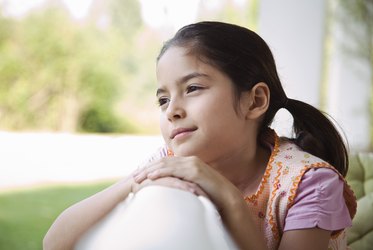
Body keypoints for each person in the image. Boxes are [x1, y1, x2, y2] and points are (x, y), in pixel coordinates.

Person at [43, 21, 356, 250]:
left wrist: (228, 198)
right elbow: (55, 243)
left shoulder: (309, 183)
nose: (172, 110)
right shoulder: (170, 163)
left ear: (255, 101)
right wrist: (138, 181)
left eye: (192, 88)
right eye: (163, 99)